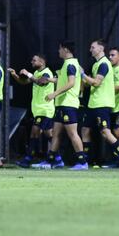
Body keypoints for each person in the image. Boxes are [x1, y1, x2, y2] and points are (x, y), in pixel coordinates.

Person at [33, 41, 88, 170]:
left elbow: (71, 83)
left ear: (66, 50)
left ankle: (82, 162)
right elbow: (63, 80)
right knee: (56, 133)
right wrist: (49, 79)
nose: (58, 51)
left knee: (72, 134)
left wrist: (54, 93)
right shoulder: (67, 64)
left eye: (60, 49)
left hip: (68, 104)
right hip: (62, 104)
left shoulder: (70, 64)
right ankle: (52, 161)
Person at [81, 39, 119, 168]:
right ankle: (84, 161)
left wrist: (82, 74)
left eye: (93, 47)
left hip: (101, 103)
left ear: (101, 49)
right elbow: (91, 83)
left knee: (105, 132)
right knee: (85, 130)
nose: (90, 50)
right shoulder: (96, 64)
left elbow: (96, 82)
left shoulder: (104, 64)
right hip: (93, 103)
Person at [9, 54, 55, 168]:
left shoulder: (46, 73)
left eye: (34, 60)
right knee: (48, 134)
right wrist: (14, 75)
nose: (32, 62)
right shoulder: (36, 73)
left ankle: (27, 159)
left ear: (42, 62)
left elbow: (40, 82)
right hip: (39, 110)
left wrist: (27, 73)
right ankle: (57, 159)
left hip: (45, 109)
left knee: (34, 132)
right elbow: (24, 82)